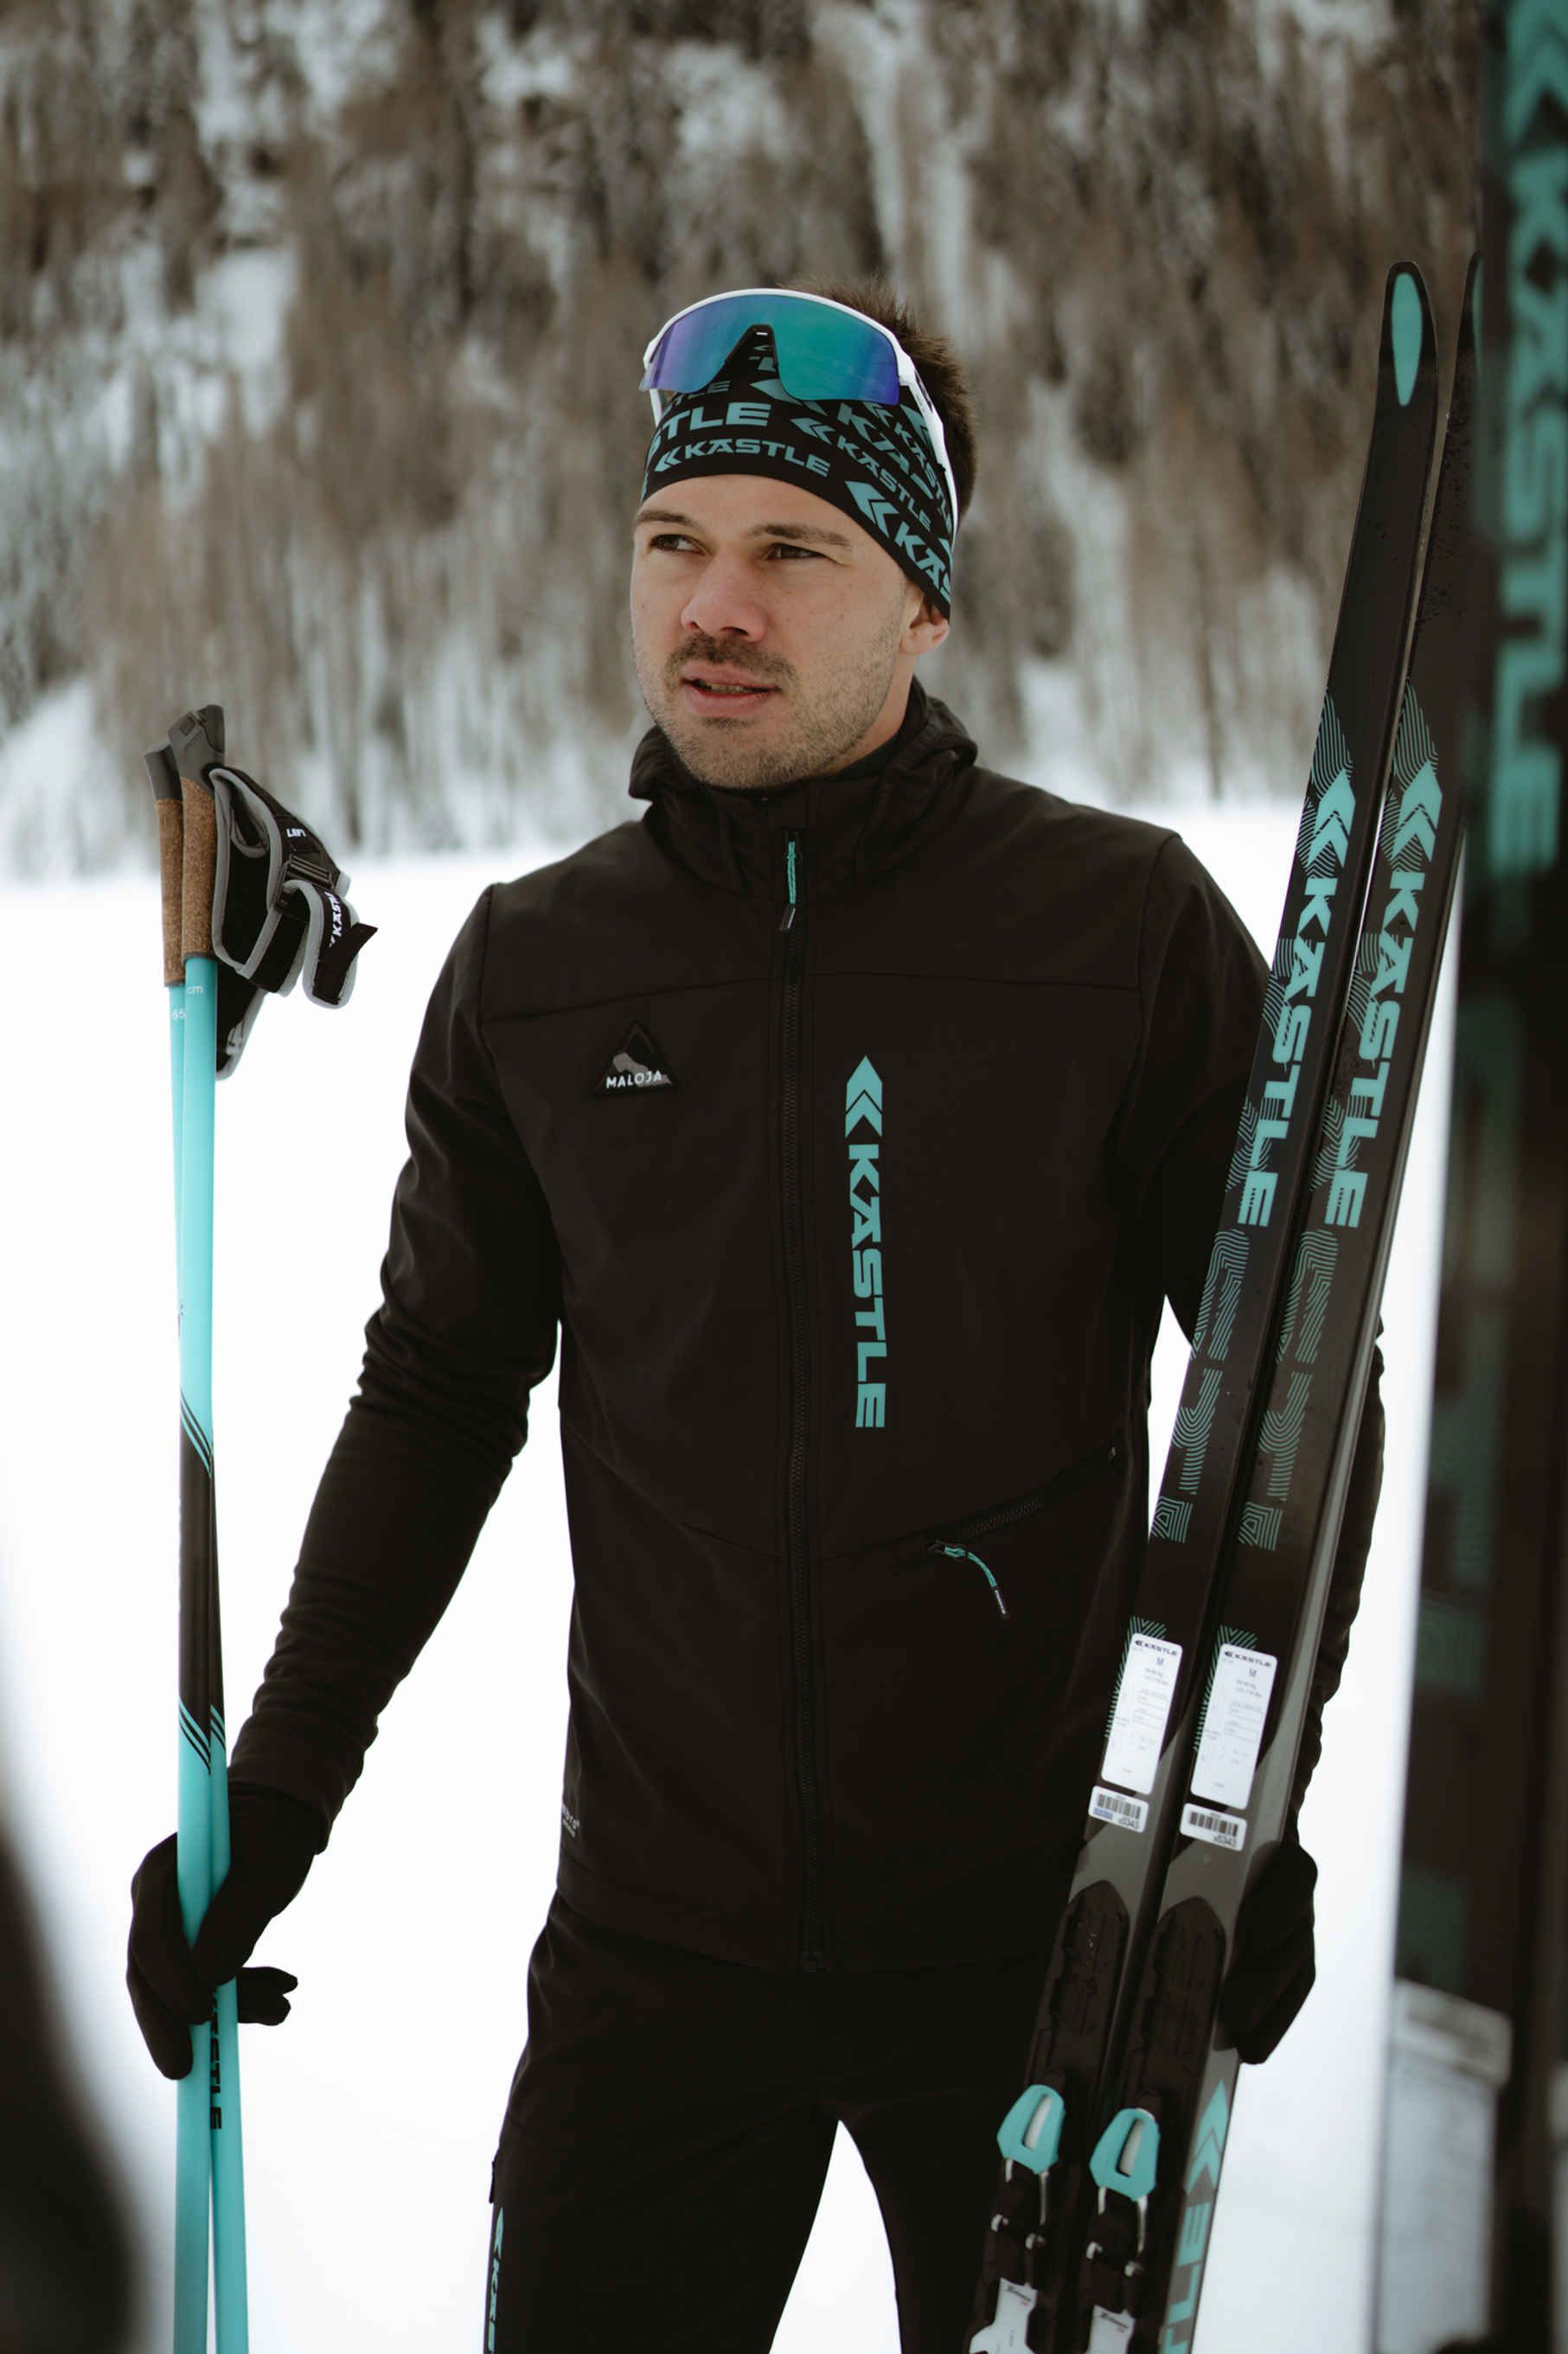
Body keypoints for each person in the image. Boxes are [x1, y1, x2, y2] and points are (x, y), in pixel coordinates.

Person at [126, 279, 1385, 2350]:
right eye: (673, 543)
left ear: (923, 604)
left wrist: (1237, 1813)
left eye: (792, 551)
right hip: (659, 1946)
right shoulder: (539, 975)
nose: (713, 605)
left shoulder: (1118, 936)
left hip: (1032, 1955)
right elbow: (436, 1398)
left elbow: (1290, 1385)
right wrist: (273, 1797)